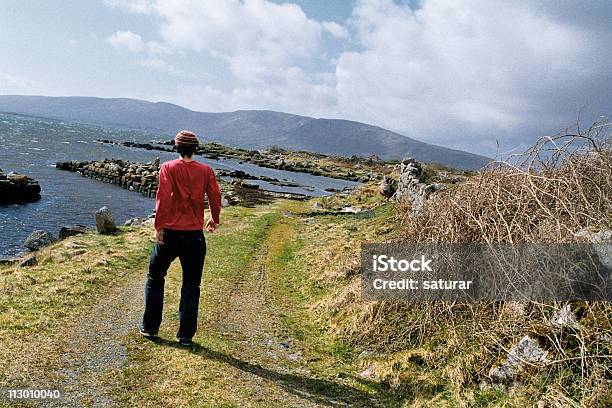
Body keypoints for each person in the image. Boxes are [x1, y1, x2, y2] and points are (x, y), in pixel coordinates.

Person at [140, 130, 222, 346]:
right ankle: (185, 336)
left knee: (155, 277)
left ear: (176, 147)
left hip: (171, 234)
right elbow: (215, 195)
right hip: (194, 237)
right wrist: (214, 219)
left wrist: (159, 226)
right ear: (195, 149)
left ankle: (150, 328)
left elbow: (164, 198)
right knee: (191, 286)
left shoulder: (168, 168)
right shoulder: (206, 170)